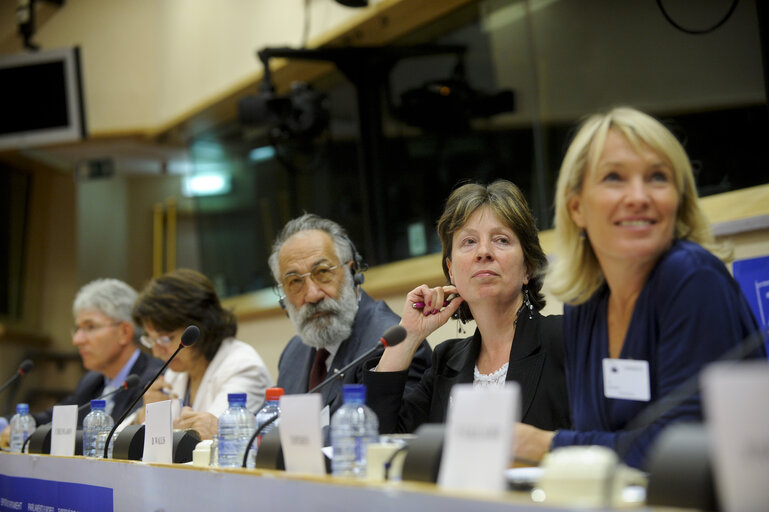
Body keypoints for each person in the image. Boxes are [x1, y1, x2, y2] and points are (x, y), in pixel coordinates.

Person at [516, 106, 767, 469]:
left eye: (658, 178)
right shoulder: (583, 301)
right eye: (615, 177)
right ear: (576, 208)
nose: (639, 196)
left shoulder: (692, 278)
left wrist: (550, 445)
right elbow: (600, 433)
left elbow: (685, 449)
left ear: (677, 200)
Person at [366, 180, 571, 440]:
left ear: (527, 268)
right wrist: (407, 336)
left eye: (501, 240)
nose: (483, 252)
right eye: (469, 241)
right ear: (451, 271)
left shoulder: (564, 339)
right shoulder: (446, 360)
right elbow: (379, 440)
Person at [269, 214, 432, 415]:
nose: (312, 295)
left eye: (322, 272)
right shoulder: (293, 354)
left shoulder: (392, 345)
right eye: (294, 281)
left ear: (352, 273)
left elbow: (392, 436)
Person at [0, 279, 163, 448]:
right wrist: (4, 424)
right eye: (77, 329)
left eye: (90, 327)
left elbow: (122, 439)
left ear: (124, 332)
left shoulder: (153, 380)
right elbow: (52, 420)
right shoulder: (92, 381)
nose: (77, 340)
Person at [132, 268, 273, 439]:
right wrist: (145, 414)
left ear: (200, 327)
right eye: (151, 340)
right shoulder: (176, 373)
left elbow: (208, 439)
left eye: (165, 339)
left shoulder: (243, 367)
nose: (156, 351)